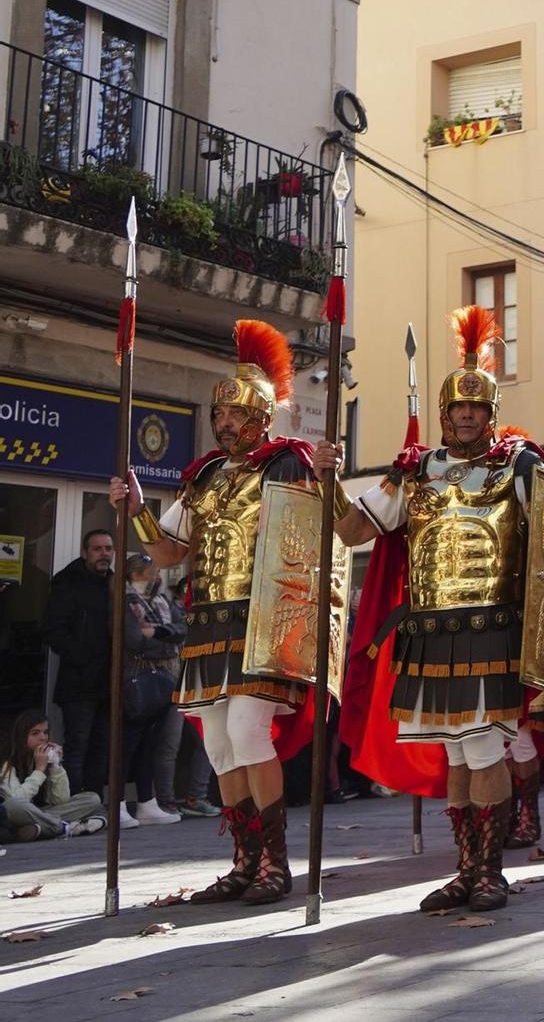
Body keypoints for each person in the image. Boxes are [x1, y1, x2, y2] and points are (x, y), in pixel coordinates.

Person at [324, 304, 544, 914]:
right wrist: (329, 483)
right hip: (429, 633)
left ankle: (490, 870)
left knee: (482, 749)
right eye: (457, 408)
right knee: (452, 753)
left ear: (491, 413)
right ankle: (467, 865)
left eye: (477, 409)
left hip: (491, 628)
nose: (466, 417)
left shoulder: (520, 466)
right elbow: (352, 532)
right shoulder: (414, 472)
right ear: (444, 413)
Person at [114, 320, 326, 906]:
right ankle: (245, 860)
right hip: (209, 623)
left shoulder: (289, 465)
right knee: (218, 748)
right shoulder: (203, 477)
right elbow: (169, 552)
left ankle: (276, 865)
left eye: (235, 415)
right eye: (220, 415)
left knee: (247, 731)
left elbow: (319, 540)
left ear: (261, 417)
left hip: (263, 623)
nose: (225, 423)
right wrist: (136, 510)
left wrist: (328, 477)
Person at [43, 527, 116, 799]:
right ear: (85, 552)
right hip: (78, 684)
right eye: (98, 549)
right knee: (78, 746)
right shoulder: (68, 583)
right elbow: (53, 630)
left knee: (102, 747)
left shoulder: (115, 584)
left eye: (108, 549)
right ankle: (73, 803)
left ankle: (94, 803)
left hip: (108, 683)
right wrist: (82, 658)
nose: (104, 554)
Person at [121, 552, 184, 825]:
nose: (158, 578)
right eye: (153, 574)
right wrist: (166, 639)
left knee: (150, 742)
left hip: (164, 676)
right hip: (135, 677)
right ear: (136, 575)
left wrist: (157, 633)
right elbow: (134, 641)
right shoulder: (125, 601)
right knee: (127, 744)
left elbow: (182, 628)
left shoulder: (162, 600)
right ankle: (119, 803)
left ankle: (147, 801)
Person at [2, 713, 104, 840]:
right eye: (35, 733)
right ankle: (62, 827)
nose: (42, 738)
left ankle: (39, 828)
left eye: (45, 732)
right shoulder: (6, 760)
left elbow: (60, 800)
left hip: (38, 812)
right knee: (14, 805)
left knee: (92, 799)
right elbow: (17, 799)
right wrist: (39, 770)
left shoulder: (41, 757)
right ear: (21, 737)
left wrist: (56, 765)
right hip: (11, 814)